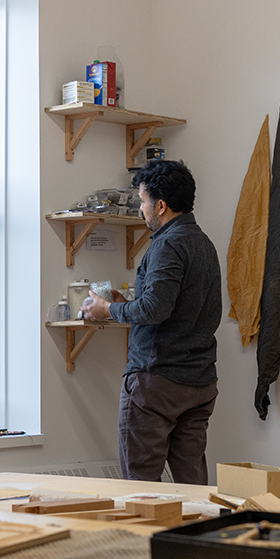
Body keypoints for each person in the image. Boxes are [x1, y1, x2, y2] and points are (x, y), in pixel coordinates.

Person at [81, 159, 222, 483]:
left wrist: (107, 310)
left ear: (160, 205)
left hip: (157, 379)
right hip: (199, 380)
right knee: (193, 483)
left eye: (143, 202)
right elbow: (177, 306)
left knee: (141, 484)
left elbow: (156, 310)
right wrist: (126, 303)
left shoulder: (167, 245)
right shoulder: (203, 243)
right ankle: (194, 534)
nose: (142, 210)